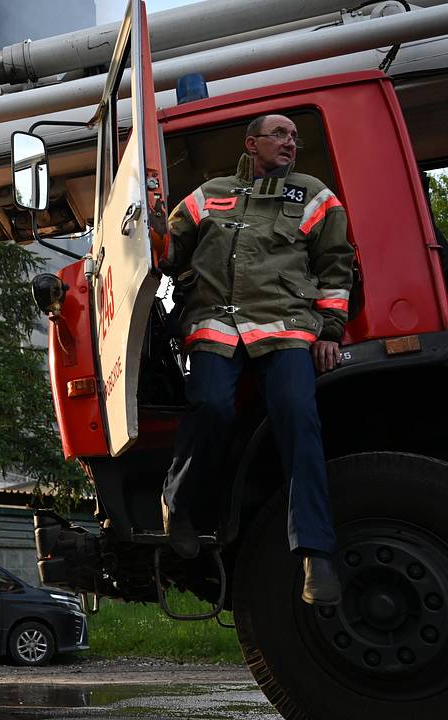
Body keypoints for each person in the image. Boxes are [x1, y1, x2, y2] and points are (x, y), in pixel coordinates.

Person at [159, 114, 355, 606]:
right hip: (214, 327)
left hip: (286, 327)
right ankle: (178, 507)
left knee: (297, 417)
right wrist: (147, 221)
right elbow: (165, 251)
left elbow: (336, 266)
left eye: (295, 136)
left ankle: (315, 554)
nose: (291, 142)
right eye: (280, 135)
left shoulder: (315, 196)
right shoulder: (209, 195)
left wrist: (330, 331)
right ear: (252, 143)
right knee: (211, 408)